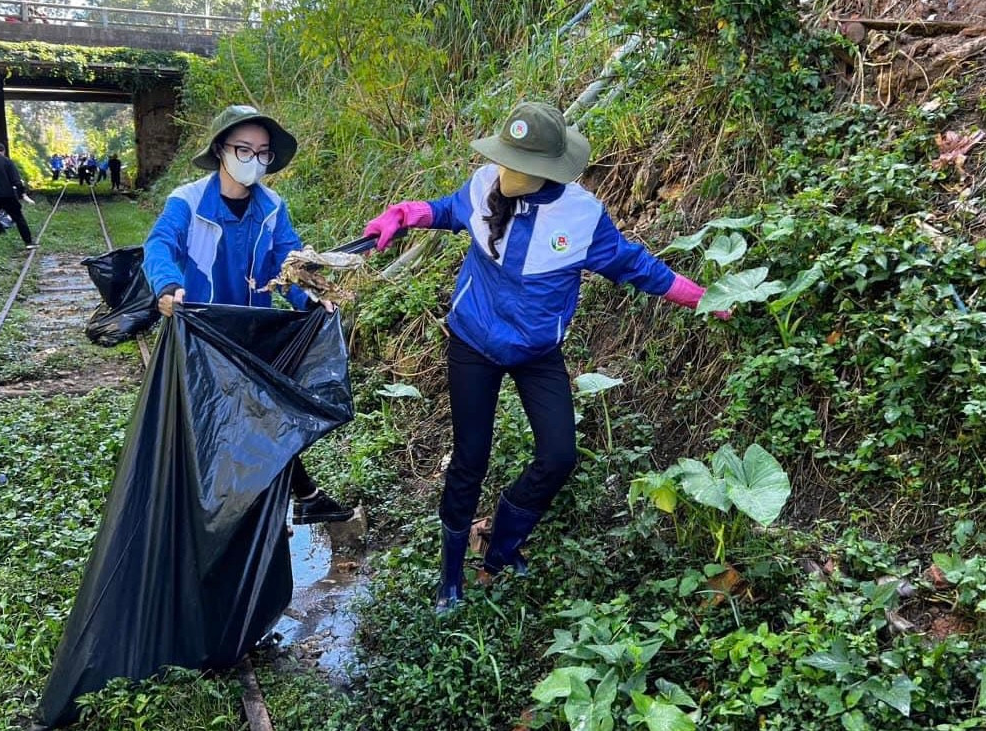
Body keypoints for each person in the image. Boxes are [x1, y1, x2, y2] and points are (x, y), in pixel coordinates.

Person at [363, 101, 729, 612]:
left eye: (518, 164)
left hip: (536, 351)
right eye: (504, 158)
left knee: (558, 456)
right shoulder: (486, 181)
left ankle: (501, 549)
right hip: (473, 340)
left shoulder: (581, 217)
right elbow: (448, 209)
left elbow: (634, 265)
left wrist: (702, 297)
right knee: (471, 457)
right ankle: (450, 577)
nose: (504, 170)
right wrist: (403, 215)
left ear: (546, 169)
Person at [142, 104, 354, 525]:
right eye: (244, 149)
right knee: (218, 422)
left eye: (262, 153)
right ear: (221, 150)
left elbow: (286, 262)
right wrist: (167, 287)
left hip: (255, 332)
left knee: (260, 416)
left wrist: (310, 297)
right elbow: (159, 245)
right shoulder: (187, 202)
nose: (253, 161)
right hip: (204, 332)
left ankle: (285, 499)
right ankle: (226, 507)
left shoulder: (272, 207)